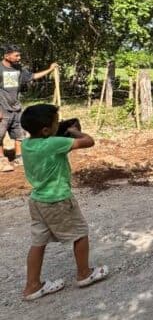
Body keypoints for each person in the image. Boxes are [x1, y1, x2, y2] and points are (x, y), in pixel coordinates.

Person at [19, 104, 109, 300]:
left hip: (37, 201)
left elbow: (47, 141)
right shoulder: (52, 144)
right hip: (57, 199)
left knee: (38, 242)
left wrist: (57, 132)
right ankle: (84, 273)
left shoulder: (25, 145)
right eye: (55, 122)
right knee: (80, 233)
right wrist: (74, 131)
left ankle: (32, 285)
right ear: (45, 130)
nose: (58, 124)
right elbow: (89, 141)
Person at [0, 44, 58, 172]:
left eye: (19, 55)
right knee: (0, 135)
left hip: (16, 108)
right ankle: (1, 160)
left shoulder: (18, 69)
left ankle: (19, 157)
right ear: (6, 55)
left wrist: (50, 69)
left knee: (19, 134)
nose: (19, 57)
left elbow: (32, 76)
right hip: (2, 108)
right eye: (16, 55)